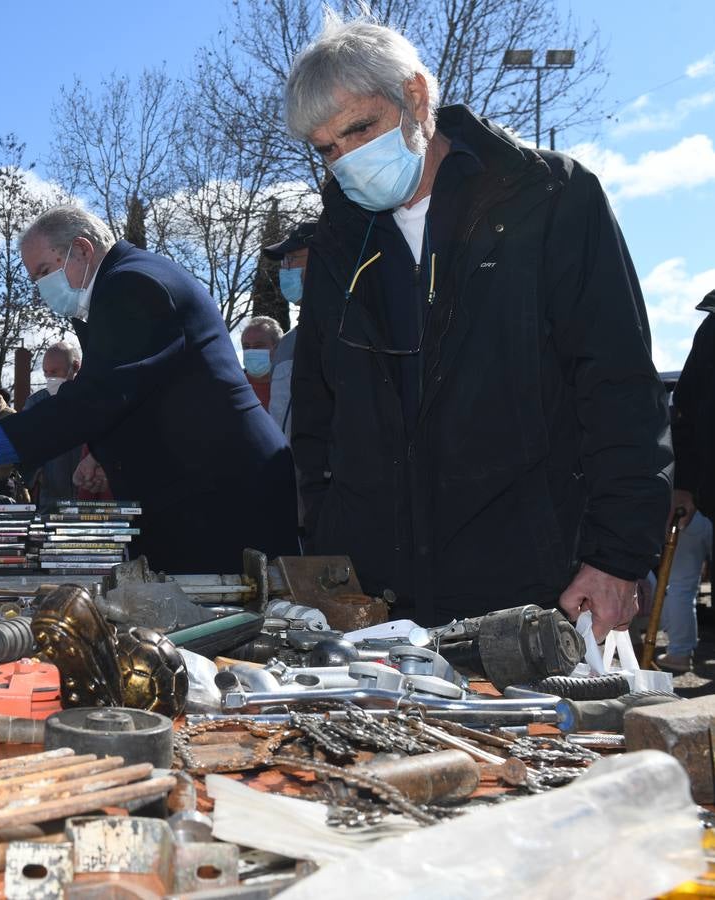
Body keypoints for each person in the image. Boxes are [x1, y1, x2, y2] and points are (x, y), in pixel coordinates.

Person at [285, 16, 671, 635]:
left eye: (360, 128)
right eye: (327, 148)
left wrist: (616, 557)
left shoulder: (548, 197)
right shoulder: (336, 244)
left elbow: (618, 385)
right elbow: (319, 415)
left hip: (532, 587)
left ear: (415, 96)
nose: (348, 159)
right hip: (380, 602)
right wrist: (327, 549)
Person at [0, 205, 298, 574]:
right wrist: (102, 455)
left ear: (81, 249)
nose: (42, 288)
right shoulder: (118, 288)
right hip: (199, 489)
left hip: (222, 494)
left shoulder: (134, 284)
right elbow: (138, 390)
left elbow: (98, 396)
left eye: (45, 271)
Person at [665, 287, 715, 671]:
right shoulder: (711, 331)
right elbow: (686, 409)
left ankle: (681, 653)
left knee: (681, 583)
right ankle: (680, 654)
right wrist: (684, 484)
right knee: (681, 583)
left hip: (698, 490)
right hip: (703, 493)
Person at [264, 221, 316, 436]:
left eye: (292, 259)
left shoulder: (349, 333)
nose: (284, 268)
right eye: (284, 260)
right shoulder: (288, 342)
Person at [23, 341, 84, 512]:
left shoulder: (92, 400)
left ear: (75, 366)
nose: (50, 378)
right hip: (51, 501)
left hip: (89, 500)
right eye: (46, 372)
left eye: (55, 372)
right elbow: (23, 445)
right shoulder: (35, 403)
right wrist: (37, 474)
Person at [240, 317, 283, 410]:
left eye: (259, 345)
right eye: (246, 346)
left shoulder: (291, 387)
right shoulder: (234, 387)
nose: (251, 350)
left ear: (277, 348)